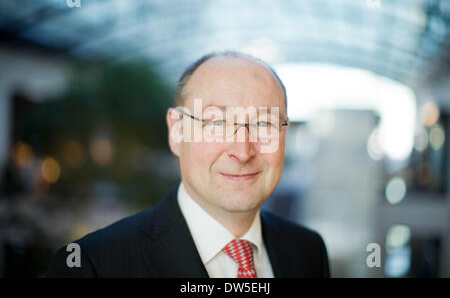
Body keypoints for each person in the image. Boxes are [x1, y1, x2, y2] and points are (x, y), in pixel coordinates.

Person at [47, 51, 330, 278]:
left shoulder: (308, 250)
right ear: (177, 131)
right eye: (217, 123)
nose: (243, 151)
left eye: (264, 124)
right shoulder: (92, 266)